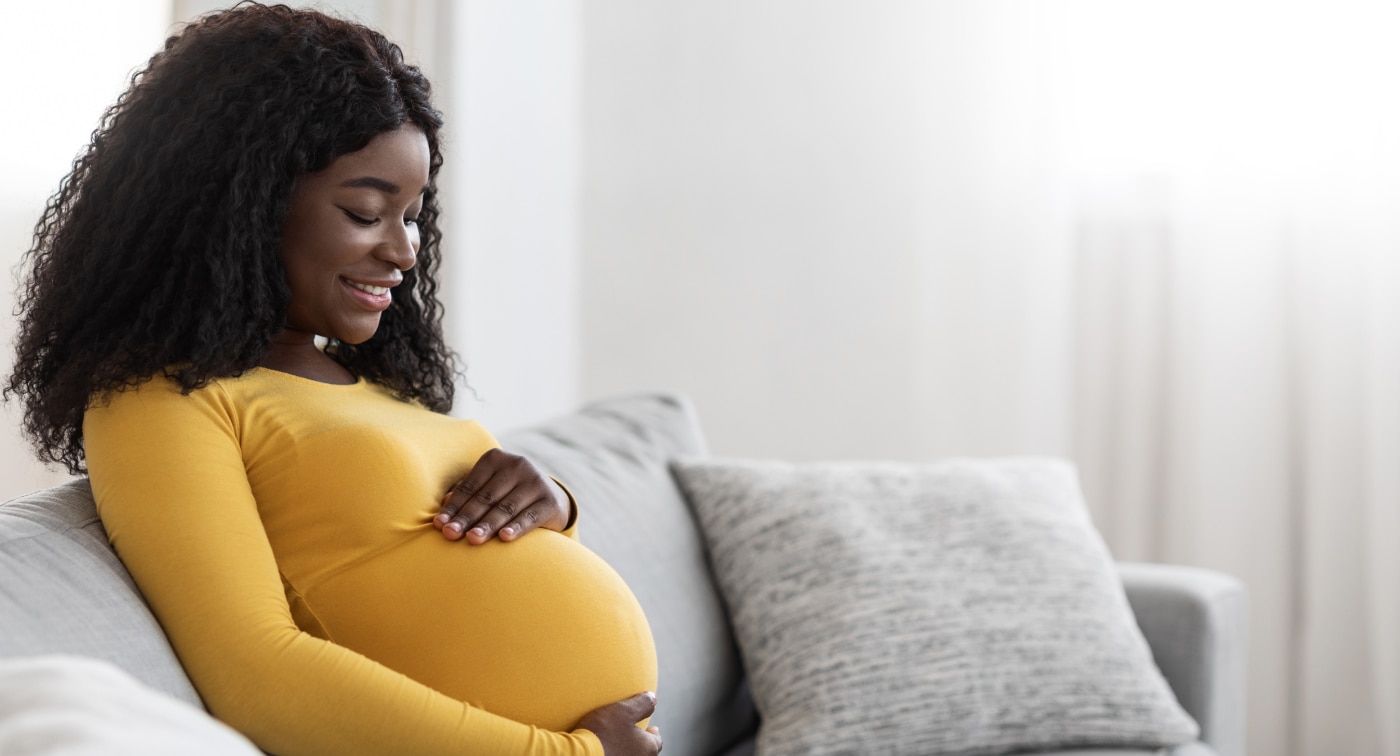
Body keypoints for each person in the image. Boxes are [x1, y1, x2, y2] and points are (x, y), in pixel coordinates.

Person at [4, 4, 663, 755]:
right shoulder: (165, 400)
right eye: (365, 212)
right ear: (239, 203)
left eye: (412, 216)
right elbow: (256, 675)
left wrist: (550, 505)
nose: (405, 252)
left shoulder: (369, 380)